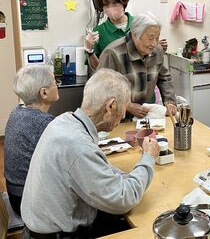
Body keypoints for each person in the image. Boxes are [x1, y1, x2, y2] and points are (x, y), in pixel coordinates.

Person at [21, 69, 160, 238]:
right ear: (111, 106)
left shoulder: (65, 121)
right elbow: (124, 198)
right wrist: (147, 158)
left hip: (40, 226)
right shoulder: (77, 145)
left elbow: (96, 166)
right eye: (124, 108)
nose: (124, 114)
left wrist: (126, 177)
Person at [98, 12, 177, 119]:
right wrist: (127, 106)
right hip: (116, 119)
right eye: (150, 38)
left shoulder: (157, 51)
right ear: (135, 34)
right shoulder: (113, 53)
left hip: (146, 117)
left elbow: (164, 78)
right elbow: (101, 89)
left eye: (157, 38)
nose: (154, 43)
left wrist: (170, 101)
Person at [4, 64, 59, 216]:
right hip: (29, 201)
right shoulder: (44, 123)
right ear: (44, 92)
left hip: (15, 195)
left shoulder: (17, 112)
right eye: (55, 82)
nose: (57, 85)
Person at [85, 0, 168, 70]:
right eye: (106, 5)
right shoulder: (98, 32)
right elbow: (98, 69)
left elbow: (153, 58)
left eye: (114, 3)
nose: (111, 8)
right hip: (115, 81)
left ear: (123, 2)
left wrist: (156, 47)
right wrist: (90, 51)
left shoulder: (140, 23)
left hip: (142, 78)